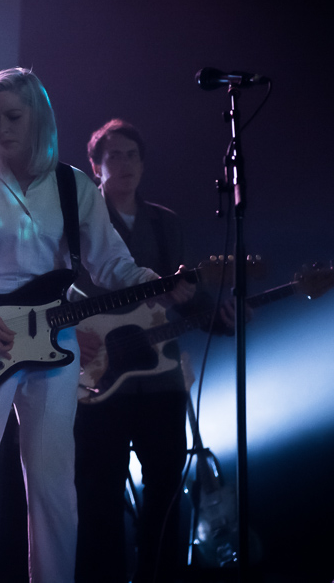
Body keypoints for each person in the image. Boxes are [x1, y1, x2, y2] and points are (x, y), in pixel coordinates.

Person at [0, 71, 192, 582]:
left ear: (38, 118)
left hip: (56, 343)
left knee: (54, 484)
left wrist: (157, 283)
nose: (2, 127)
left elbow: (111, 265)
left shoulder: (73, 184)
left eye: (13, 116)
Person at [73, 119, 232, 583]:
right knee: (98, 495)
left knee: (166, 491)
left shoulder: (165, 223)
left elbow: (187, 296)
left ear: (144, 164)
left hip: (161, 381)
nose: (124, 164)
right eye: (113, 156)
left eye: (132, 155)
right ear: (95, 167)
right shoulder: (79, 223)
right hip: (98, 380)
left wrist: (214, 315)